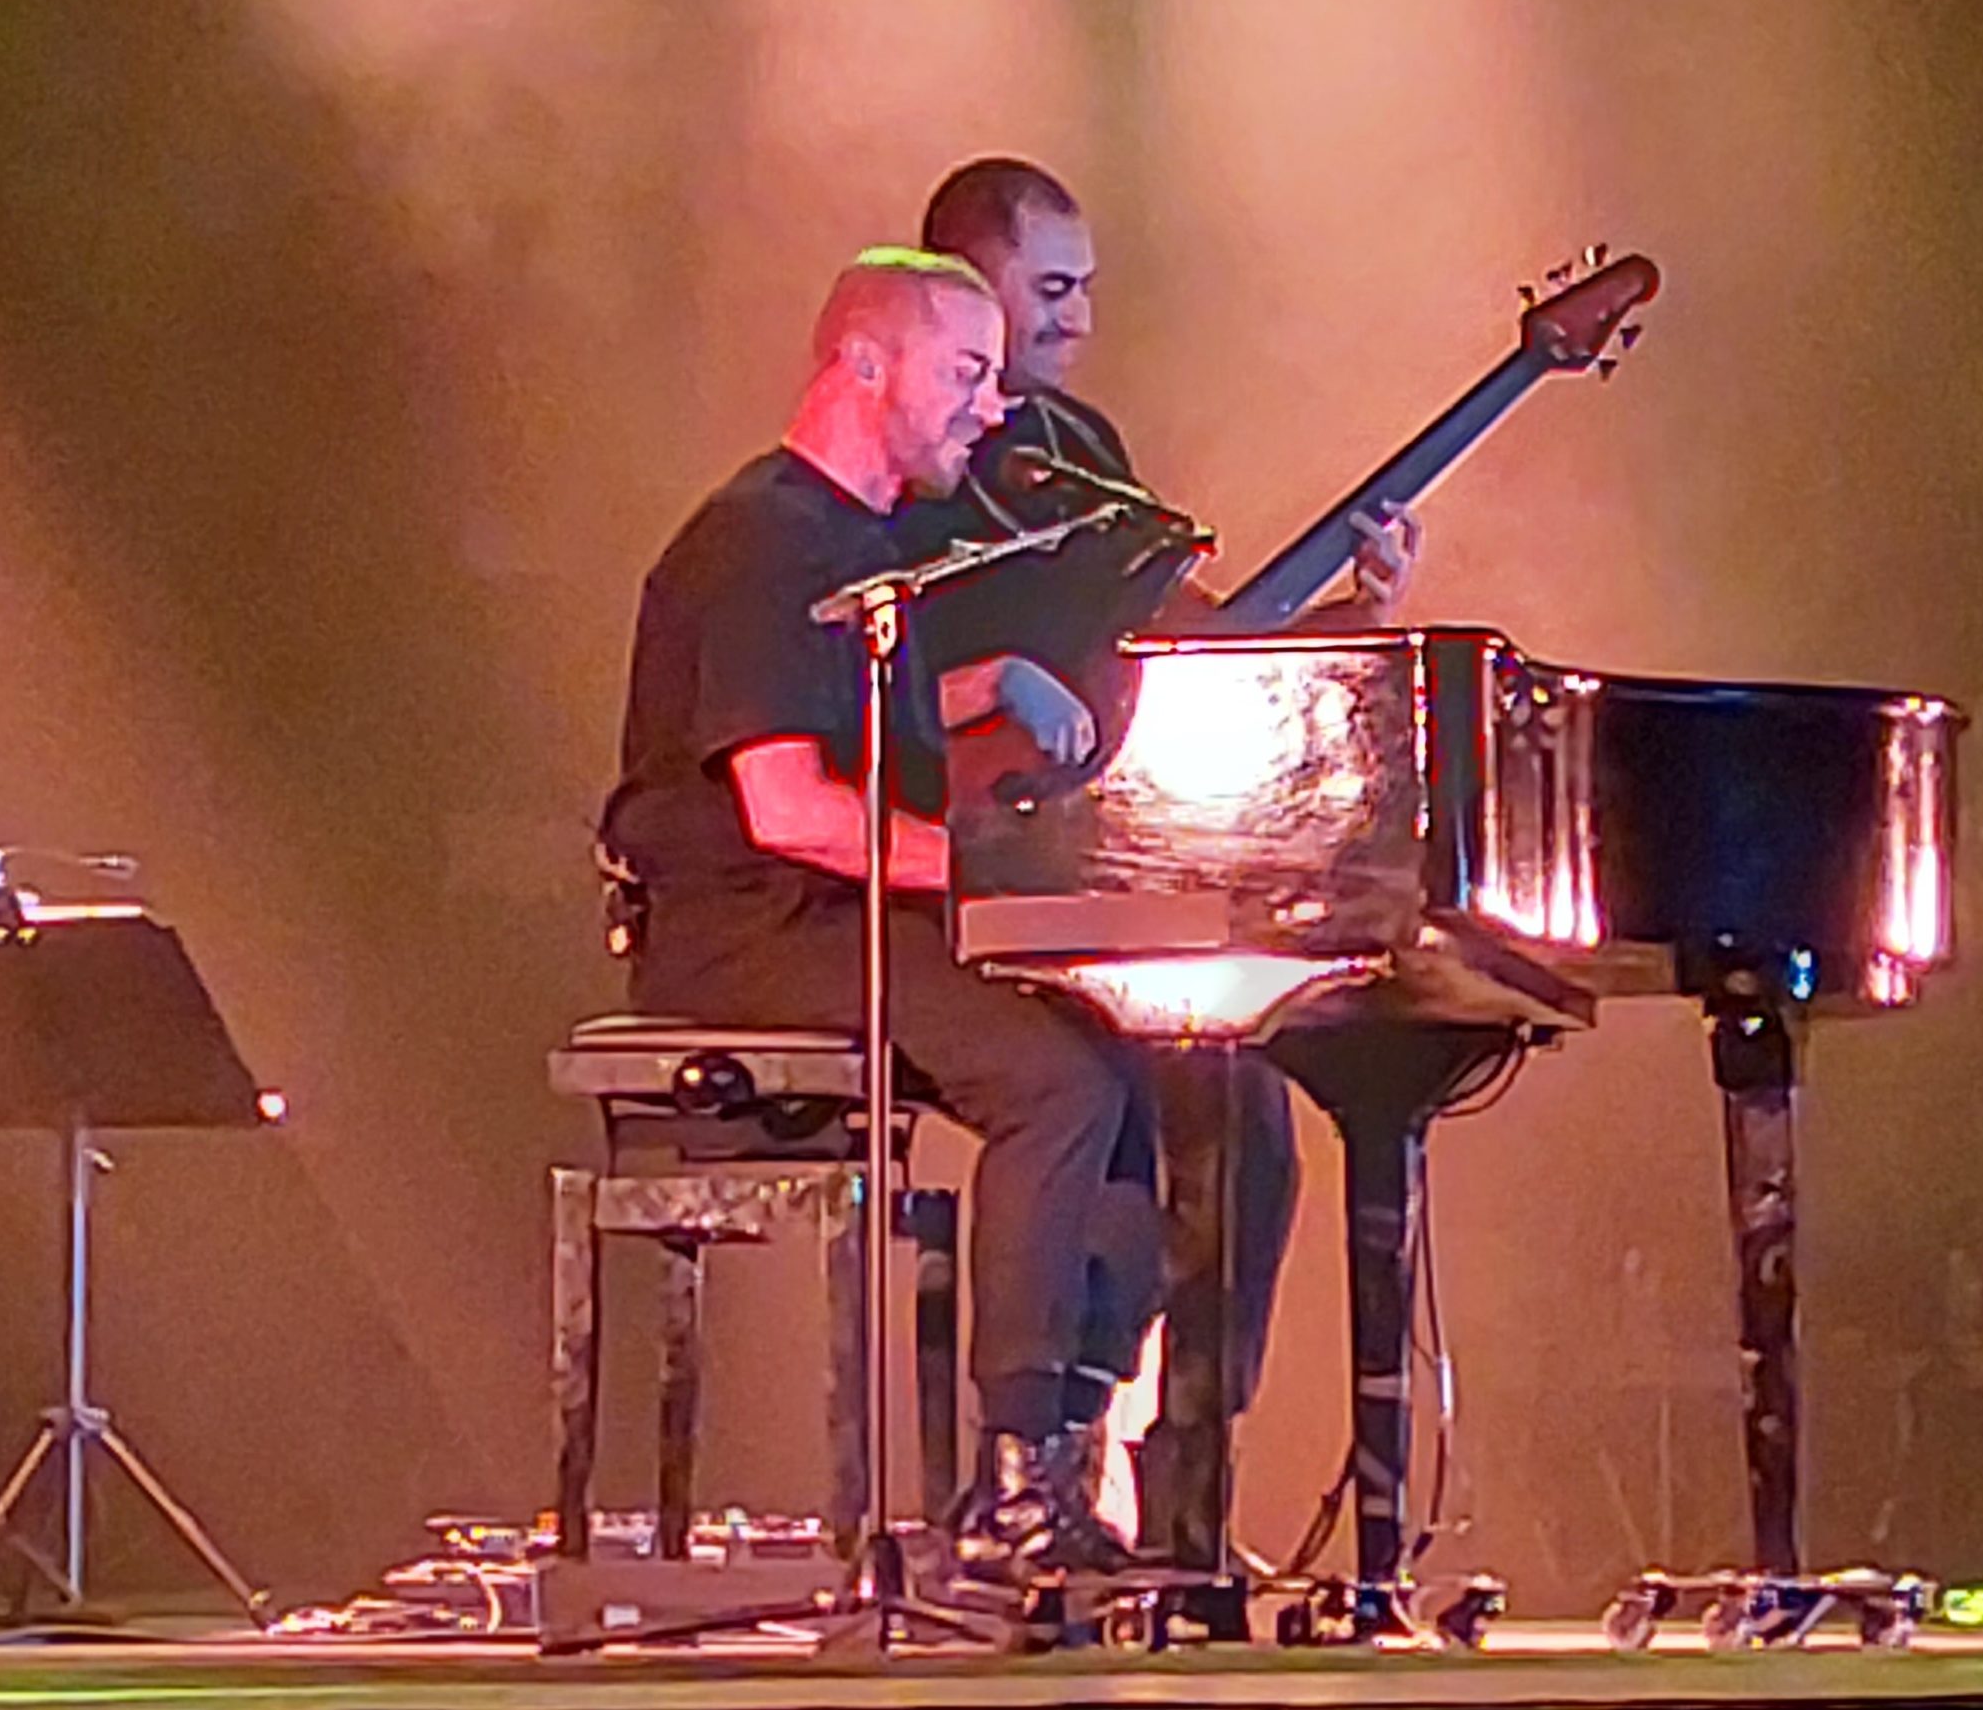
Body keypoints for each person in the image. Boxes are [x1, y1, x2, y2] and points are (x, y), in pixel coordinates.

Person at [598, 247, 1159, 1578]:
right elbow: (788, 807)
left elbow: (839, 704)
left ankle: (1068, 1451)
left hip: (822, 914)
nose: (995, 407)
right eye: (968, 372)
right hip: (745, 933)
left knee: (1126, 1068)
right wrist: (992, 877)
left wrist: (991, 681)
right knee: (1055, 1083)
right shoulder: (763, 542)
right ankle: (1013, 1483)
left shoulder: (854, 545)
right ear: (865, 363)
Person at [893, 160, 1418, 1563]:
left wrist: (1355, 604)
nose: (1078, 317)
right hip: (945, 872)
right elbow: (846, 681)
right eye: (1052, 287)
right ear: (967, 287)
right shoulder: (913, 466)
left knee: (1245, 1122)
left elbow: (1181, 633)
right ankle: (1037, 1466)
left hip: (1085, 862)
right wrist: (990, 691)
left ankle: (1181, 1482)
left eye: (1087, 288)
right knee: (1110, 1089)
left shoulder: (1080, 448)